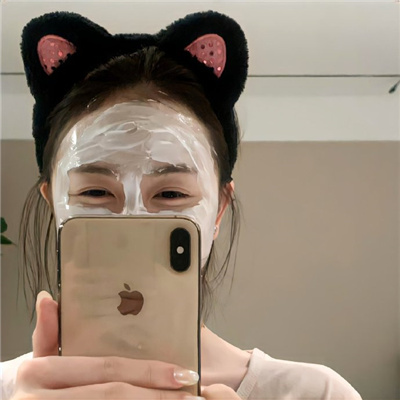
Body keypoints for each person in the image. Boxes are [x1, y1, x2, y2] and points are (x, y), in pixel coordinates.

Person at [1, 11, 362, 400]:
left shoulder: (317, 393)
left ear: (219, 210)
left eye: (171, 195)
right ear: (54, 205)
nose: (134, 219)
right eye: (95, 193)